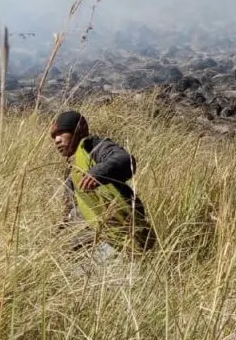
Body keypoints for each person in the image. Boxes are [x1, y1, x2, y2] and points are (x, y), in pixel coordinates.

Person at [50, 110, 156, 256]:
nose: (57, 140)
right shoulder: (71, 170)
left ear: (79, 130)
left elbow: (126, 160)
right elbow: (71, 209)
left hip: (118, 233)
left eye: (62, 132)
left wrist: (98, 173)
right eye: (54, 136)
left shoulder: (93, 147)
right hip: (91, 236)